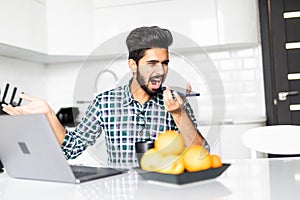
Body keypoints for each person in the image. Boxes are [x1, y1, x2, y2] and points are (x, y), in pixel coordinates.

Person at [2, 26, 209, 168]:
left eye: (164, 63)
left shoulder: (176, 102)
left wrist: (178, 113)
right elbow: (70, 149)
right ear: (133, 65)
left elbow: (201, 154)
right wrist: (48, 113)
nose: (161, 71)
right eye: (152, 63)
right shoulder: (105, 103)